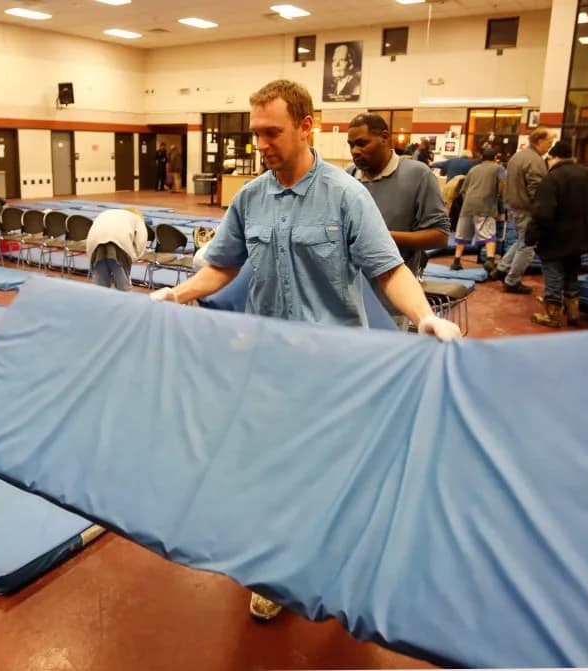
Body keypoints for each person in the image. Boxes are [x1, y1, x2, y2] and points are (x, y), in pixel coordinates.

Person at [150, 79, 461, 620]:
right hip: (267, 364)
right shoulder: (250, 197)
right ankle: (275, 571)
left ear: (306, 126)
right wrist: (178, 293)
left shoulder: (345, 195)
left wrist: (426, 317)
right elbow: (222, 265)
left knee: (333, 469)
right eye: (256, 134)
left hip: (334, 368)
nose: (261, 144)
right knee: (270, 469)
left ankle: (343, 556)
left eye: (272, 132)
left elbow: (387, 270)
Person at [346, 113, 449, 281]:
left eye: (362, 143)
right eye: (351, 145)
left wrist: (380, 236)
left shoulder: (418, 175)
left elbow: (440, 236)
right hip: (353, 286)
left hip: (396, 287)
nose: (355, 151)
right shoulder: (348, 176)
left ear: (384, 138)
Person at [524, 139, 588, 327]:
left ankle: (552, 314)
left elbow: (543, 213)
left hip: (556, 236)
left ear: (553, 157)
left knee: (553, 272)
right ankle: (573, 312)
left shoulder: (552, 178)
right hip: (581, 234)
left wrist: (532, 235)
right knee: (572, 270)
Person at [492, 128, 553, 293]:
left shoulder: (517, 156)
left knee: (521, 240)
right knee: (528, 245)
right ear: (539, 141)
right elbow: (536, 188)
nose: (550, 146)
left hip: (513, 205)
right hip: (526, 208)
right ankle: (512, 281)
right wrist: (542, 209)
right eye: (549, 142)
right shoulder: (535, 160)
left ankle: (502, 269)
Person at [449, 147, 503, 273]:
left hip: (467, 205)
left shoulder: (473, 169)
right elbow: (503, 183)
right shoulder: (498, 168)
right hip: (485, 205)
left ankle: (456, 261)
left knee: (462, 234)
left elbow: (463, 189)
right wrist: (499, 196)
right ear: (495, 158)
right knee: (489, 233)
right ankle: (490, 261)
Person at [86, 208, 148, 291]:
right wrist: (130, 260)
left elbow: (90, 238)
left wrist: (91, 258)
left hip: (94, 245)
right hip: (118, 247)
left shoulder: (107, 213)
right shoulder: (138, 220)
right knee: (123, 288)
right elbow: (141, 244)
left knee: (100, 289)